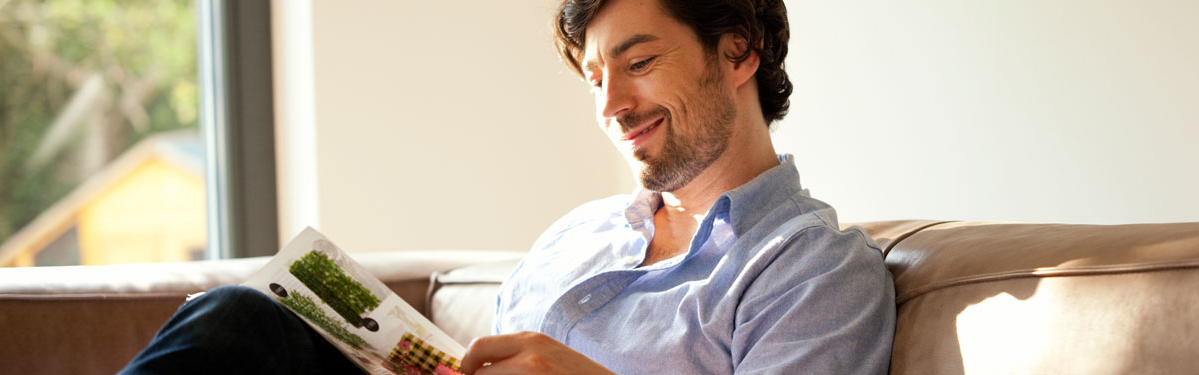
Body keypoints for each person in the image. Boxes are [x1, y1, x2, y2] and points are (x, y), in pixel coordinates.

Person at [122, 0, 894, 373]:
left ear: (738, 53)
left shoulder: (813, 269)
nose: (611, 106)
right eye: (595, 78)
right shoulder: (576, 236)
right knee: (237, 323)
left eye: (639, 61)